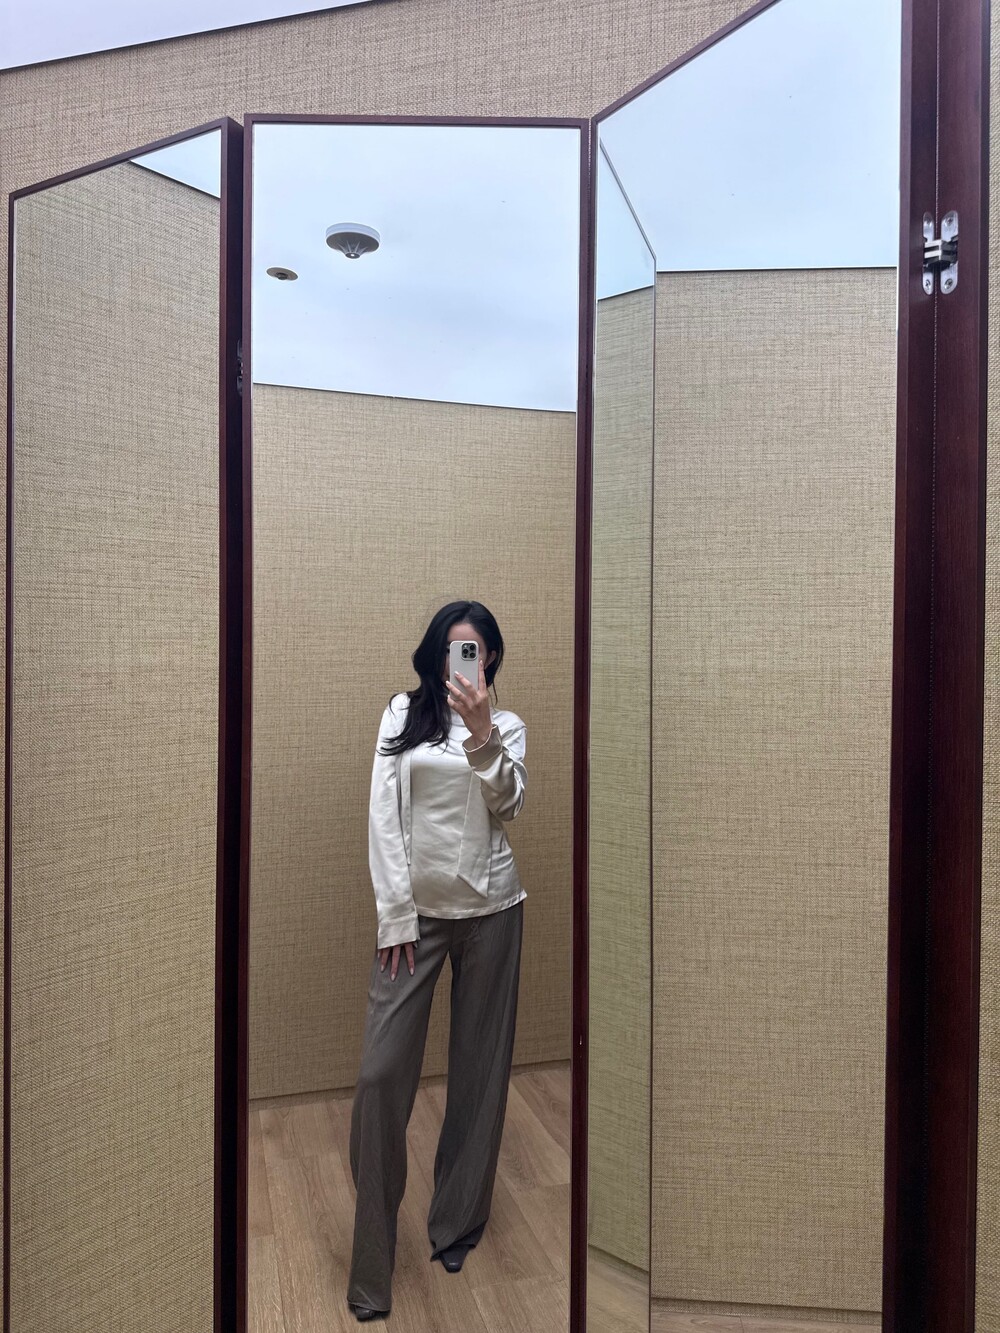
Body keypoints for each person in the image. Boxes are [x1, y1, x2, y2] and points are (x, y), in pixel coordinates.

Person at [346, 600, 528, 1322]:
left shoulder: (506, 726)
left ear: (490, 660)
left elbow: (510, 806)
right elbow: (383, 815)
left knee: (479, 1072)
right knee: (381, 1074)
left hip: (493, 912)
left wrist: (483, 734)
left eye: (474, 651)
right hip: (414, 919)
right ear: (435, 654)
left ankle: (457, 1222)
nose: (464, 663)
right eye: (454, 649)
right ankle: (371, 1264)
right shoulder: (402, 714)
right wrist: (394, 913)